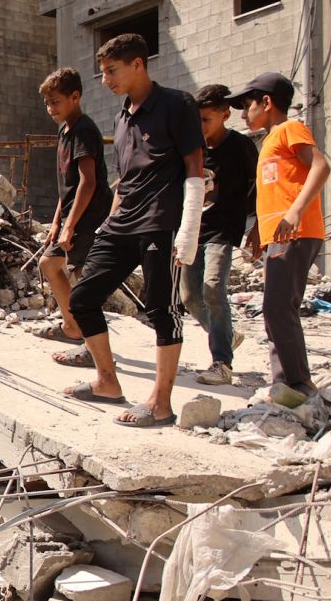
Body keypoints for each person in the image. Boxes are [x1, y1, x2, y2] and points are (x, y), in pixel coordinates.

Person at [60, 33, 205, 428]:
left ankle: (161, 402)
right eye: (102, 72)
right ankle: (107, 382)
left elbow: (194, 167)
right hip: (121, 224)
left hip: (162, 223)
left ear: (138, 64)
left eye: (111, 71)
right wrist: (111, 220)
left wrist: (188, 229)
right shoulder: (123, 116)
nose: (105, 80)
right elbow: (123, 179)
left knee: (162, 309)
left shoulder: (177, 104)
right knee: (83, 298)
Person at [230, 72, 331, 400]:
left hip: (296, 233)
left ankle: (296, 383)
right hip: (282, 235)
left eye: (247, 106)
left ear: (267, 102)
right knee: (276, 306)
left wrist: (294, 213)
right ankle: (286, 382)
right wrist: (260, 229)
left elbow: (320, 167)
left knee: (277, 307)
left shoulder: (290, 129)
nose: (243, 115)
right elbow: (273, 192)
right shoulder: (270, 142)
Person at [183, 85, 258, 386]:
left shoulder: (240, 147)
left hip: (224, 229)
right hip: (193, 230)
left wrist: (257, 226)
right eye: (196, 121)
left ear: (225, 114)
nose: (200, 127)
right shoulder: (193, 149)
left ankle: (221, 362)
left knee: (213, 288)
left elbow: (259, 187)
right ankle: (227, 334)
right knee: (189, 298)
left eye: (206, 120)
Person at [35, 67, 113, 350]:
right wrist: (57, 222)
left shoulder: (84, 130)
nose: (50, 108)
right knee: (48, 263)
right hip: (71, 216)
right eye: (47, 102)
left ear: (75, 97)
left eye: (55, 101)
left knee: (84, 284)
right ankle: (72, 326)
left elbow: (88, 183)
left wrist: (70, 225)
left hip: (89, 217)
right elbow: (66, 185)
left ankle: (92, 349)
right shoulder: (64, 130)